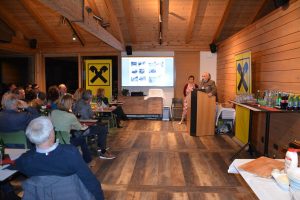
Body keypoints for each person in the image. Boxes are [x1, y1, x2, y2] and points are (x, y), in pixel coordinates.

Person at [13, 116, 105, 200]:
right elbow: (89, 180)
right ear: (51, 133)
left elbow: (16, 165)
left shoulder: (25, 160)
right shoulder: (69, 153)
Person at [53, 93, 115, 160]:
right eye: (71, 103)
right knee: (102, 129)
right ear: (68, 104)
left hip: (56, 139)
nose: (73, 104)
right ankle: (102, 152)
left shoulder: (53, 112)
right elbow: (79, 127)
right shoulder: (70, 115)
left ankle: (99, 148)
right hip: (70, 137)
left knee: (98, 128)